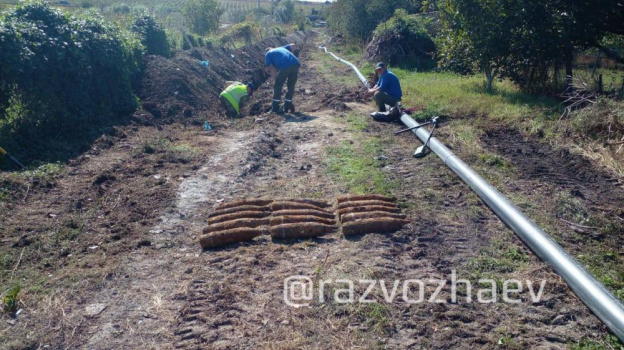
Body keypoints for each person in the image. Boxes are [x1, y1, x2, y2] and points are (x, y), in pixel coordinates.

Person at [265, 43, 300, 114]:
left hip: (285, 65)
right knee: (291, 85)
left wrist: (276, 80)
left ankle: (275, 108)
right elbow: (292, 45)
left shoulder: (268, 54)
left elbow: (272, 68)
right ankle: (287, 105)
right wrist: (292, 53)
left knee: (278, 85)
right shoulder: (281, 48)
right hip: (296, 63)